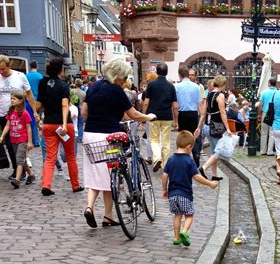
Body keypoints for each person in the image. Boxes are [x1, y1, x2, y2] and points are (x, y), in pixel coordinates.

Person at [81, 57, 156, 229]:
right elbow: (133, 115)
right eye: (124, 77)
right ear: (118, 76)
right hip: (109, 138)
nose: (125, 80)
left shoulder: (93, 87)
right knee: (110, 173)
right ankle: (106, 214)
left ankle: (94, 209)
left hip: (90, 136)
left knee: (96, 175)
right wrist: (149, 117)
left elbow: (84, 112)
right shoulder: (116, 90)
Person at [162, 131, 218, 246]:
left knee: (177, 215)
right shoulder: (189, 161)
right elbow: (196, 176)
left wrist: (164, 189)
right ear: (189, 147)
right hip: (185, 195)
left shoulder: (171, 159)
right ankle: (184, 231)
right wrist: (210, 183)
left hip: (172, 195)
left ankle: (176, 238)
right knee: (189, 215)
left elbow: (164, 175)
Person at [0, 55, 38, 180]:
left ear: (9, 65)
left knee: (20, 145)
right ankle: (17, 169)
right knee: (10, 145)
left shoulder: (20, 76)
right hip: (5, 115)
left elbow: (29, 94)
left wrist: (35, 111)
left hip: (21, 115)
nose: (1, 72)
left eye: (3, 69)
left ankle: (21, 171)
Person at [37, 57, 82, 196]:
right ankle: (75, 185)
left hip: (49, 124)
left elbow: (39, 104)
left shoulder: (42, 83)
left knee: (50, 156)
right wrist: (63, 124)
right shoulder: (63, 85)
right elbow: (64, 105)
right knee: (70, 156)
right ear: (60, 70)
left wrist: (36, 112)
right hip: (63, 125)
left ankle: (46, 185)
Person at [194, 74, 232, 181]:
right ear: (222, 84)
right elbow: (222, 113)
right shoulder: (220, 96)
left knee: (213, 150)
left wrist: (199, 127)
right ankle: (204, 167)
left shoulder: (209, 95)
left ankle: (214, 174)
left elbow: (203, 113)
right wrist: (228, 128)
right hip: (217, 126)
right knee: (218, 151)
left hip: (207, 126)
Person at [142, 62, 178, 172]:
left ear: (157, 72)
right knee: (166, 141)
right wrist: (176, 121)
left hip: (153, 116)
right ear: (167, 72)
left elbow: (146, 103)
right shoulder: (171, 86)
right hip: (167, 117)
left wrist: (143, 116)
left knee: (154, 139)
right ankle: (165, 165)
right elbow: (175, 106)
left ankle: (157, 158)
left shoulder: (151, 85)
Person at [0, 90, 36, 188]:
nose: (12, 100)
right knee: (21, 160)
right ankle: (31, 174)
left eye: (14, 99)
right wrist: (2, 136)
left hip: (22, 140)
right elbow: (7, 125)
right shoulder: (11, 112)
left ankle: (17, 179)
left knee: (19, 160)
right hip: (13, 140)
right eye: (11, 98)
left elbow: (29, 128)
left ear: (20, 101)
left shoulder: (24, 113)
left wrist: (30, 142)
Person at [175, 65, 203, 167]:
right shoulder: (196, 87)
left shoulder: (176, 86)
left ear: (179, 75)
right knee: (193, 136)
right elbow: (200, 104)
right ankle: (196, 154)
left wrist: (176, 121)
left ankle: (184, 159)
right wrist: (201, 119)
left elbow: (175, 105)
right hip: (193, 114)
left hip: (182, 114)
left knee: (183, 137)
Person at [258, 77, 277, 156]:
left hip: (265, 113)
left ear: (269, 83)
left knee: (264, 132)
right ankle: (270, 151)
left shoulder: (264, 92)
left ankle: (263, 150)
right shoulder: (277, 92)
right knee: (272, 133)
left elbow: (260, 104)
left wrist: (259, 114)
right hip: (274, 114)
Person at [26, 61, 43, 147]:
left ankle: (34, 140)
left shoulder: (26, 76)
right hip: (38, 99)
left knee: (31, 120)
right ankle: (37, 140)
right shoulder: (39, 76)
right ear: (37, 66)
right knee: (39, 119)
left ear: (30, 66)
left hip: (29, 99)